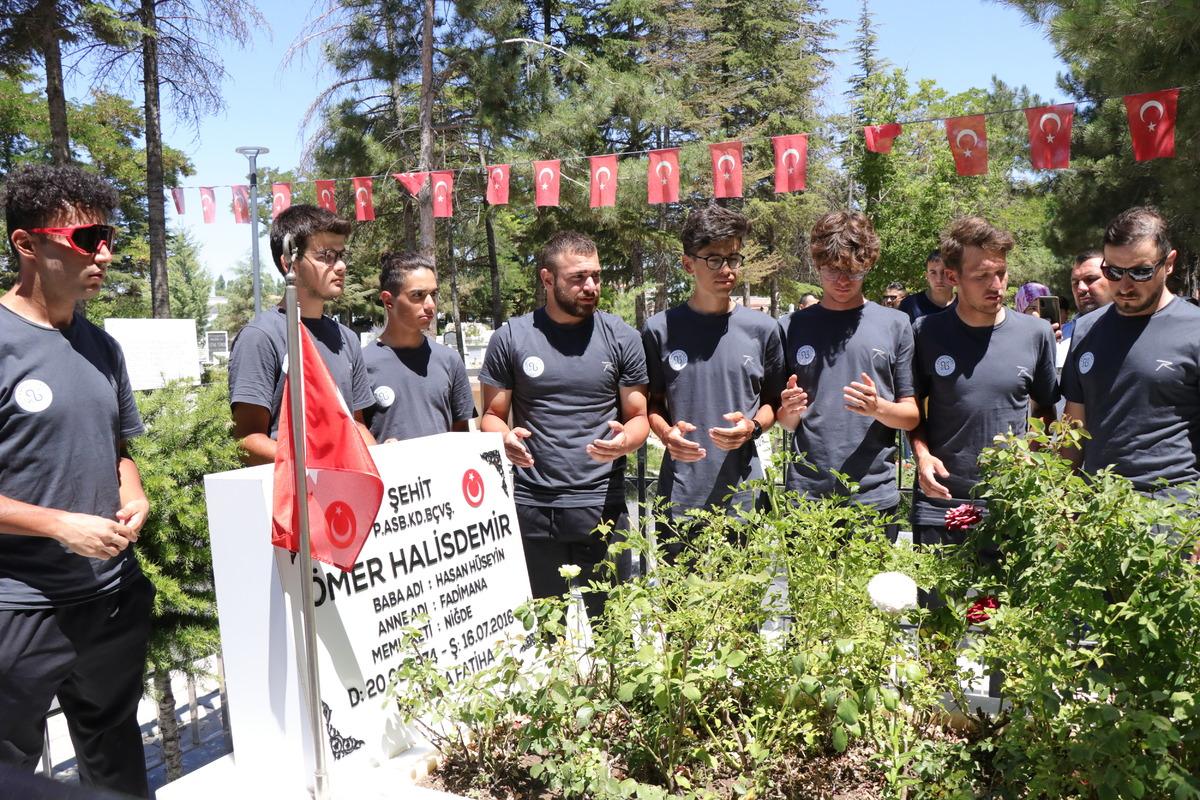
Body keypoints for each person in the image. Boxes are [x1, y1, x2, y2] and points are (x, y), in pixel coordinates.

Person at [0, 164, 154, 797]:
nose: (106, 253)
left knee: (115, 757)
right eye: (87, 238)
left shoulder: (103, 345)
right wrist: (55, 524)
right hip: (18, 610)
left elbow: (116, 447)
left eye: (108, 236)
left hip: (109, 600)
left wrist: (134, 489)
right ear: (27, 245)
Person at [479, 232, 649, 617]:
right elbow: (490, 415)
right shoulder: (512, 337)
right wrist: (504, 438)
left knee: (613, 633)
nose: (591, 287)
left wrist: (625, 442)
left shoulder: (621, 336)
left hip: (603, 507)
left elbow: (638, 418)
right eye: (578, 278)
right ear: (547, 279)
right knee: (544, 632)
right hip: (534, 508)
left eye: (596, 276)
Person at [909, 217, 1058, 555]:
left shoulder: (1036, 334)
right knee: (938, 606)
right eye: (981, 277)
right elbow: (911, 408)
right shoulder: (925, 333)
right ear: (952, 277)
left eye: (1001, 273)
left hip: (1013, 506)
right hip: (941, 501)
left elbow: (1046, 408)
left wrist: (1033, 458)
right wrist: (921, 456)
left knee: (1011, 609)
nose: (997, 286)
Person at [1060, 207, 1200, 560]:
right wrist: (1061, 504)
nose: (1124, 285)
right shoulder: (1088, 330)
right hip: (1097, 512)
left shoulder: (1194, 329)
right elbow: (1074, 426)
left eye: (1139, 271)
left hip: (1174, 517)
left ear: (1168, 263)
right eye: (1113, 271)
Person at [642, 205, 785, 547]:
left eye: (733, 258)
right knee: (679, 600)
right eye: (714, 259)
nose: (727, 269)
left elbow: (773, 404)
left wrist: (751, 427)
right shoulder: (660, 330)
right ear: (688, 263)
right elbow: (651, 404)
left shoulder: (763, 330)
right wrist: (666, 433)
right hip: (679, 496)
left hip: (744, 498)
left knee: (742, 600)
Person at [778, 211, 918, 535]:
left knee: (871, 589)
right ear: (817, 264)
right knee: (809, 588)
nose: (842, 281)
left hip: (873, 498)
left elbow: (910, 416)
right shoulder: (790, 327)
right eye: (832, 271)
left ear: (867, 265)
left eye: (854, 273)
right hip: (807, 498)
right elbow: (786, 423)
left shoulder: (895, 325)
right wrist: (789, 409)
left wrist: (878, 407)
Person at [228, 204, 376, 464]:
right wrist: (318, 464)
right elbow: (247, 440)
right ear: (290, 263)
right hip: (290, 498)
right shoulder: (261, 337)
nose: (340, 266)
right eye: (326, 256)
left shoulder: (347, 339)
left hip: (343, 496)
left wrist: (384, 461)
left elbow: (357, 426)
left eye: (341, 255)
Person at [364, 252, 475, 441]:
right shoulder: (362, 363)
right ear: (388, 300)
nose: (430, 305)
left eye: (434, 294)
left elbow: (461, 433)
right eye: (418, 295)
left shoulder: (449, 360)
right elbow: (354, 434)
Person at [1061, 249, 1111, 341]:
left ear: (1113, 279)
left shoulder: (1135, 327)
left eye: (1091, 279)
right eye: (1075, 283)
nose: (1080, 288)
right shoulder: (1062, 335)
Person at [899, 249, 956, 322]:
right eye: (933, 273)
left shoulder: (966, 305)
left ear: (953, 275)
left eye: (944, 272)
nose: (939, 279)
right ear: (927, 276)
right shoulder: (909, 305)